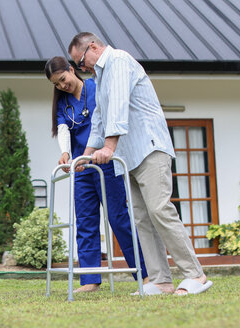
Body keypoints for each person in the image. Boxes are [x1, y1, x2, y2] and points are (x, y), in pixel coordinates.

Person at [68, 32, 213, 295]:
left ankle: (195, 274)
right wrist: (85, 156)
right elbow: (99, 120)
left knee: (159, 209)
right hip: (130, 158)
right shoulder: (99, 78)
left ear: (92, 47)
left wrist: (109, 146)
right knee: (142, 219)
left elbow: (119, 107)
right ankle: (161, 280)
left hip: (150, 147)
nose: (81, 68)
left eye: (80, 62)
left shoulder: (119, 61)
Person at [45, 56, 149, 293]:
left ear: (72, 70)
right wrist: (65, 152)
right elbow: (62, 128)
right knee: (85, 222)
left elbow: (105, 122)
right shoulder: (63, 102)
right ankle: (89, 279)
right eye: (57, 84)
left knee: (118, 218)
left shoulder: (95, 87)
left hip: (105, 162)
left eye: (63, 79)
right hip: (81, 166)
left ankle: (144, 274)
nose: (62, 86)